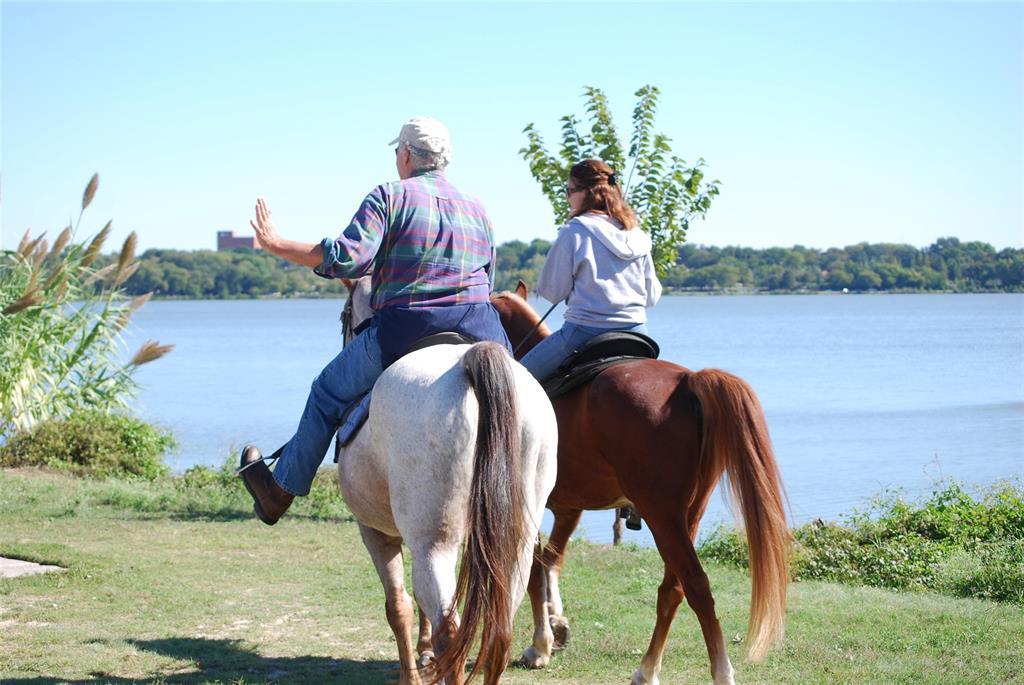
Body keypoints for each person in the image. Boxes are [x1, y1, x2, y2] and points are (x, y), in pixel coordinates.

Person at [239, 116, 511, 525]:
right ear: (444, 160)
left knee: (326, 392)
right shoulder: (478, 208)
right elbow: (488, 278)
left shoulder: (389, 196)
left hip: (406, 331)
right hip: (482, 329)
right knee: (526, 397)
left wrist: (277, 244)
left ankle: (280, 491)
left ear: (404, 154)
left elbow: (349, 258)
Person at [520, 158, 662, 382]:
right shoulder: (638, 235)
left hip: (583, 332)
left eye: (569, 190)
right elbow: (652, 297)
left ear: (586, 192)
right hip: (637, 332)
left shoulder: (573, 232)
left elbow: (552, 292)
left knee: (515, 381)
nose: (567, 198)